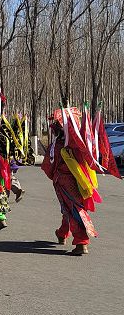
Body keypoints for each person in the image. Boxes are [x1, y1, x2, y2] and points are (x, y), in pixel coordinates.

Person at [41, 108, 106, 255]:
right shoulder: (80, 143)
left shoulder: (59, 145)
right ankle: (62, 233)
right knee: (68, 208)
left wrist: (56, 175)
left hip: (64, 181)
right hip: (82, 180)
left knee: (75, 209)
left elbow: (49, 166)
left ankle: (81, 242)